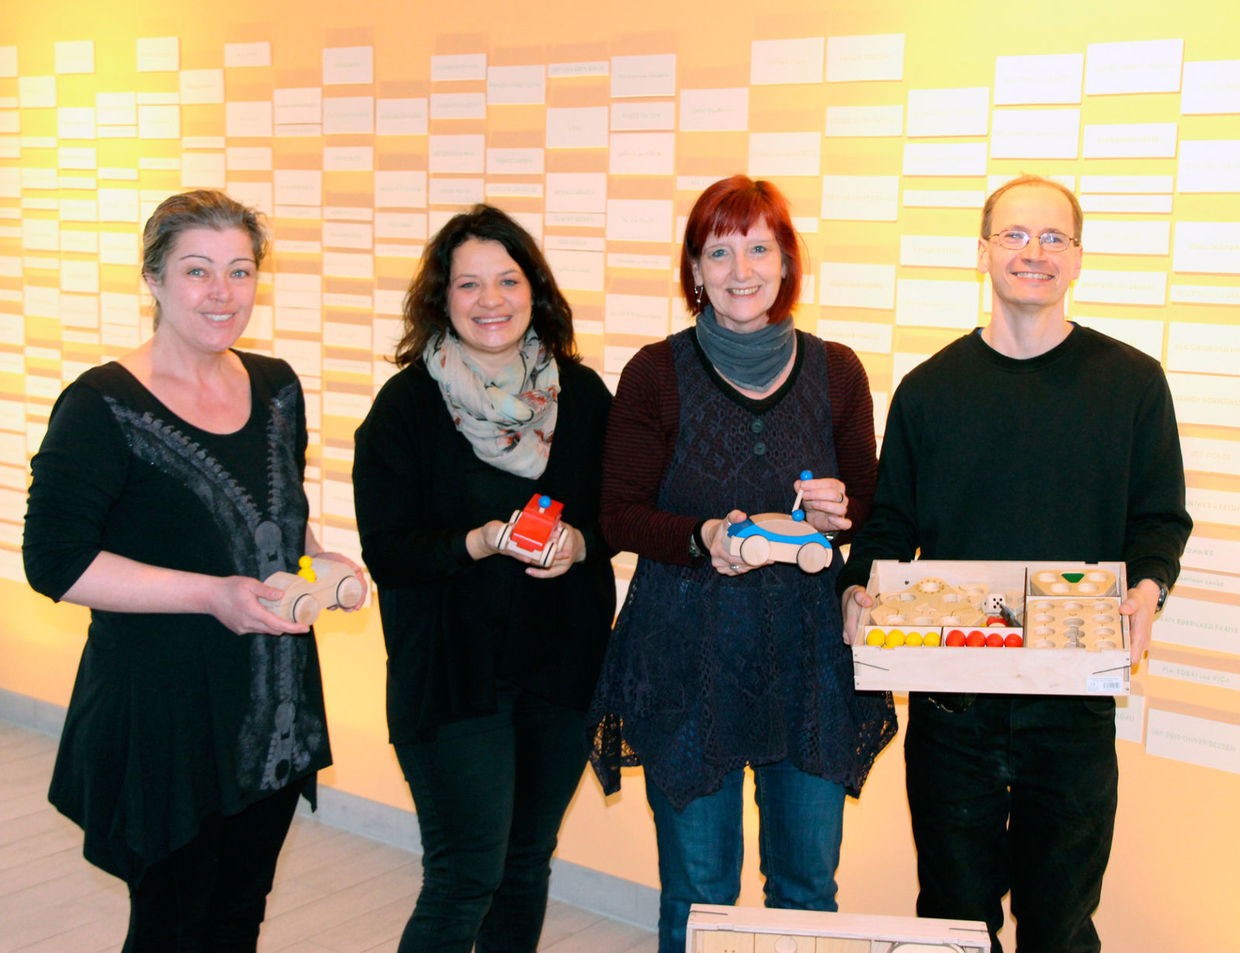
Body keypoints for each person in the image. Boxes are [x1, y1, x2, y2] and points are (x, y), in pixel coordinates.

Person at [838, 174, 1193, 953]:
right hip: (951, 705)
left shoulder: (1131, 383)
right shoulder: (930, 390)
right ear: (983, 252)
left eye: (1053, 237)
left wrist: (1146, 586)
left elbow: (1160, 517)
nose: (1033, 252)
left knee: (1060, 924)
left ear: (1077, 259)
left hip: (1071, 703)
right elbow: (890, 519)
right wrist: (860, 584)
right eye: (1015, 235)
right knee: (954, 920)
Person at [22, 189, 366, 952]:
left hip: (270, 706)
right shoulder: (100, 404)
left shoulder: (276, 386)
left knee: (239, 914)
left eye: (240, 272)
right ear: (152, 278)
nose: (222, 294)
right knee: (172, 927)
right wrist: (210, 596)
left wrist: (322, 565)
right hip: (164, 713)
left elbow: (267, 530)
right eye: (198, 271)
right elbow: (54, 560)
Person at [586, 175, 897, 953]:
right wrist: (705, 537)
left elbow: (868, 502)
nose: (741, 269)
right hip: (687, 655)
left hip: (808, 660)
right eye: (718, 251)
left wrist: (839, 511)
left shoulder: (838, 371)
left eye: (760, 246)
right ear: (693, 270)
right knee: (698, 895)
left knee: (804, 890)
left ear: (787, 262)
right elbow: (619, 515)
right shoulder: (656, 373)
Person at [351, 204, 615, 953]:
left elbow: (618, 514)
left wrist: (581, 544)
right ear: (441, 298)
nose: (490, 300)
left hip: (561, 668)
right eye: (468, 284)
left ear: (536, 288)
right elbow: (388, 549)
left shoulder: (584, 395)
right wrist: (475, 541)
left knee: (527, 864)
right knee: (467, 871)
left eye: (507, 279)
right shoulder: (405, 407)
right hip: (451, 673)